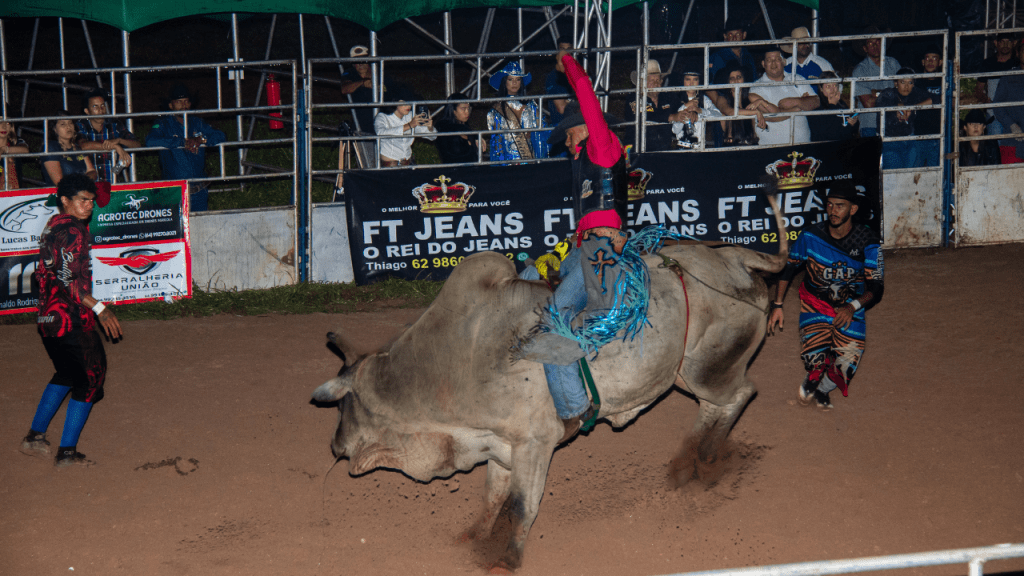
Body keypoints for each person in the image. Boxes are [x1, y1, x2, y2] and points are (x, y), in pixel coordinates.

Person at [523, 52, 631, 443]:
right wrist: (561, 250)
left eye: (568, 136)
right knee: (526, 278)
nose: (567, 146)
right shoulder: (588, 161)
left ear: (585, 128)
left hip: (599, 254)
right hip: (583, 249)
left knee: (556, 313)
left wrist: (566, 61)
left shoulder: (602, 147)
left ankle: (573, 408)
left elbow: (585, 89)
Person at [20, 173, 122, 467]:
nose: (89, 205)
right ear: (65, 201)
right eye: (82, 200)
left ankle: (34, 437)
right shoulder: (74, 231)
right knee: (91, 379)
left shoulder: (54, 225)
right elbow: (69, 281)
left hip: (48, 317)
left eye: (90, 201)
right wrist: (100, 308)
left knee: (66, 374)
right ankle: (66, 453)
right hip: (70, 319)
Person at [767, 184, 883, 410]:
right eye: (830, 205)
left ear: (853, 209)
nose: (833, 210)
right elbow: (789, 268)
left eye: (840, 206)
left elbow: (876, 287)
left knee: (846, 368)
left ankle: (822, 390)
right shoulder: (811, 236)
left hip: (851, 309)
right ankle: (815, 374)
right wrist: (778, 304)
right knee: (814, 360)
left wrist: (851, 307)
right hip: (815, 306)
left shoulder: (868, 241)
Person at [145, 84, 227, 212]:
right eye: (179, 102)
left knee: (202, 227)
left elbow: (220, 135)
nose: (183, 105)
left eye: (186, 101)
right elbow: (150, 141)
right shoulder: (163, 124)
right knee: (178, 230)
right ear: (171, 105)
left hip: (199, 191)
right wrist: (181, 142)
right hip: (174, 192)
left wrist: (202, 139)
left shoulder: (197, 122)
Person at [748, 47, 820, 146]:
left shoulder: (797, 78)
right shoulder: (756, 87)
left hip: (802, 145)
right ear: (763, 64)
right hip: (771, 148)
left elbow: (815, 101)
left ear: (784, 62)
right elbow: (769, 116)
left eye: (777, 59)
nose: (773, 63)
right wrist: (799, 106)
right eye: (769, 60)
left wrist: (796, 102)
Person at [486, 61, 549, 162]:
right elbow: (496, 141)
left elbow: (542, 131)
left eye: (518, 79)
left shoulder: (531, 105)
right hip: (507, 161)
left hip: (529, 158)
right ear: (504, 81)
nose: (514, 83)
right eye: (511, 79)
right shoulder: (496, 110)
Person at [76, 88, 139, 183]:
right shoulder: (81, 124)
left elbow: (137, 144)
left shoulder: (114, 124)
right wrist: (115, 147)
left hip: (112, 184)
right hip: (88, 187)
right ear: (87, 111)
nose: (100, 110)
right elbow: (83, 145)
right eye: (95, 107)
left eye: (102, 106)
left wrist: (119, 141)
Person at [875, 68, 933, 169]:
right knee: (894, 177)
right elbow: (880, 103)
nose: (906, 86)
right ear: (896, 83)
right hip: (889, 142)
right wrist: (898, 108)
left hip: (909, 141)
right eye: (902, 82)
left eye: (910, 82)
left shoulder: (915, 93)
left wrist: (914, 107)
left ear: (913, 84)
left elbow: (935, 99)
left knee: (908, 178)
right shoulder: (887, 93)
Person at [623, 59, 686, 151]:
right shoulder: (634, 98)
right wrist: (671, 117)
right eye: (651, 80)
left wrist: (689, 109)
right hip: (637, 152)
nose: (656, 84)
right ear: (642, 83)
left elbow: (680, 108)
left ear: (661, 81)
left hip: (664, 151)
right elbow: (644, 117)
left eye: (658, 80)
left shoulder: (667, 96)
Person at [851, 29, 901, 137]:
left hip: (894, 122)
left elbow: (904, 93)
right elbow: (868, 103)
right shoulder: (860, 70)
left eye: (878, 41)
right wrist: (892, 94)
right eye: (870, 43)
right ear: (865, 48)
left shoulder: (893, 64)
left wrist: (876, 94)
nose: (875, 45)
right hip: (870, 126)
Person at [373, 92, 437, 167]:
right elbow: (380, 133)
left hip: (408, 163)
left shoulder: (410, 115)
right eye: (404, 103)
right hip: (389, 165)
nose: (408, 106)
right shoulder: (383, 116)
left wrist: (430, 127)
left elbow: (433, 137)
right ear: (395, 102)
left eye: (410, 103)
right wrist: (409, 125)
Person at [711, 61, 766, 146]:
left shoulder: (749, 98)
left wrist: (762, 102)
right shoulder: (722, 99)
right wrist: (756, 112)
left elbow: (775, 111)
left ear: (744, 79)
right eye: (731, 78)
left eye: (739, 77)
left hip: (751, 145)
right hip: (732, 146)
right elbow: (730, 112)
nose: (736, 80)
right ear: (727, 82)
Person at [341, 45, 391, 134]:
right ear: (352, 63)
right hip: (360, 120)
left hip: (383, 119)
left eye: (363, 60)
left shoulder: (380, 72)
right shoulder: (350, 73)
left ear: (368, 60)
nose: (360, 64)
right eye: (357, 61)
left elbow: (393, 90)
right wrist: (363, 83)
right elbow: (344, 89)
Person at [974, 33, 1017, 137]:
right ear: (996, 43)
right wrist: (984, 100)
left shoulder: (1018, 63)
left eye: (1009, 41)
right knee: (995, 146)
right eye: (1002, 42)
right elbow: (978, 89)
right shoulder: (988, 63)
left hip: (1015, 114)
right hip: (993, 113)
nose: (1005, 45)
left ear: (1014, 43)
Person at [41, 111, 96, 187]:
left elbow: (92, 171)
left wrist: (83, 181)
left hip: (81, 191)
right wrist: (83, 181)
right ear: (54, 129)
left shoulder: (77, 147)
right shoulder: (51, 147)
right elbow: (59, 182)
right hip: (60, 195)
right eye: (63, 124)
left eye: (70, 123)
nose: (68, 127)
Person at [672, 69, 723, 149]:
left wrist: (700, 111)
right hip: (681, 148)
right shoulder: (676, 99)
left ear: (699, 81)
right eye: (688, 79)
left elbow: (718, 115)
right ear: (683, 81)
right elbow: (675, 130)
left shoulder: (704, 99)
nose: (691, 83)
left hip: (700, 147)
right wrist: (686, 108)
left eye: (695, 79)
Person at [992, 40, 1024, 164]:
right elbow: (997, 106)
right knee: (1010, 180)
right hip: (1012, 142)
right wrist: (1012, 125)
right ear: (1018, 53)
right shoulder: (1009, 77)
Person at [914, 46, 944, 167]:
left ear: (940, 62)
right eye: (927, 58)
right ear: (923, 62)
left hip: (938, 135)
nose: (931, 62)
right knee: (915, 174)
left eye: (934, 58)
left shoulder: (944, 81)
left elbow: (951, 102)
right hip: (917, 135)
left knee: (936, 174)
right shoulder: (915, 82)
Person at [435, 93, 486, 164]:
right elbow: (455, 128)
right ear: (453, 110)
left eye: (468, 108)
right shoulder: (443, 126)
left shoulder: (465, 126)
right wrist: (475, 136)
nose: (467, 112)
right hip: (454, 170)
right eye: (463, 108)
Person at [808, 72, 859, 142]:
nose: (832, 90)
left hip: (846, 146)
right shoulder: (816, 105)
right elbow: (829, 133)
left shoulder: (842, 104)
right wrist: (832, 105)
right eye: (828, 87)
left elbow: (853, 131)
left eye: (835, 85)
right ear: (821, 89)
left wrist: (854, 123)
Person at [708, 17, 758, 86]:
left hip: (745, 94)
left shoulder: (748, 56)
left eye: (737, 34)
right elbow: (709, 87)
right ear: (725, 36)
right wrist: (719, 97)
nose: (734, 38)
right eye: (731, 35)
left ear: (744, 35)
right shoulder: (717, 56)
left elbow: (755, 81)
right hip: (724, 96)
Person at [545, 42, 574, 127]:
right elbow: (562, 108)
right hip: (561, 127)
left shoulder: (578, 73)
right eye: (562, 49)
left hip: (578, 126)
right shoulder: (553, 77)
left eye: (568, 49)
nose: (564, 53)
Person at [0, 117, 29, 189]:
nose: (4, 127)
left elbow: (25, 150)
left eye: (8, 123)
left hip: (14, 195)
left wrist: (4, 149)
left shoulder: (16, 141)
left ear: (11, 127)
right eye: (0, 122)